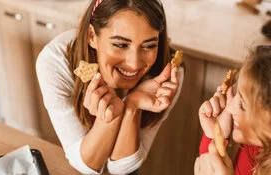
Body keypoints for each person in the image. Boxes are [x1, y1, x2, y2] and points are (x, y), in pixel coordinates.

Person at [36, 0, 184, 174]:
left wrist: (133, 106)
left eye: (149, 45)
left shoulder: (169, 74)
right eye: (121, 45)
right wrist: (108, 120)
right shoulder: (56, 62)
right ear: (92, 36)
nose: (134, 63)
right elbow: (85, 165)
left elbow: (122, 169)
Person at [194, 45, 271, 175]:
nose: (229, 108)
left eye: (243, 106)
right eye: (236, 95)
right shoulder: (255, 148)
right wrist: (216, 135)